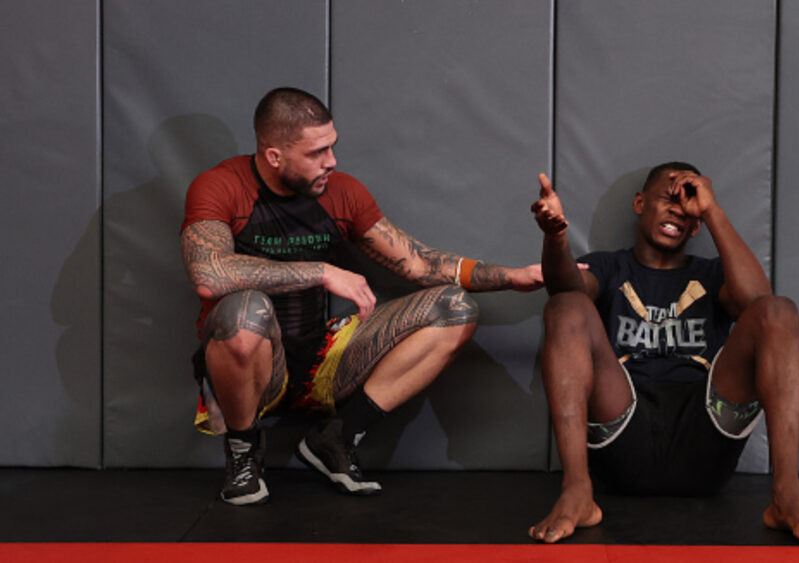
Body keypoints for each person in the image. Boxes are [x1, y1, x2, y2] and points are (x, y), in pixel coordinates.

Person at [180, 86, 544, 506]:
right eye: (317, 152)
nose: (331, 161)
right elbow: (208, 274)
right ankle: (243, 455)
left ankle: (334, 438)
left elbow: (420, 264)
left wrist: (512, 276)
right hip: (256, 368)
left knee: (455, 307)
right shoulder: (220, 186)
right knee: (246, 309)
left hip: (322, 359)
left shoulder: (341, 191)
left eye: (332, 147)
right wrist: (322, 271)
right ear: (273, 156)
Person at [527, 162, 799, 548]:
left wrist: (711, 211)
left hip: (705, 438)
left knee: (780, 311)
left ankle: (787, 495)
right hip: (623, 432)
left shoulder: (712, 275)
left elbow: (758, 303)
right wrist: (555, 238)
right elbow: (564, 285)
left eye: (688, 205)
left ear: (695, 226)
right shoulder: (611, 266)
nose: (678, 208)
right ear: (640, 203)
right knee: (566, 307)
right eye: (667, 198)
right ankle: (577, 490)